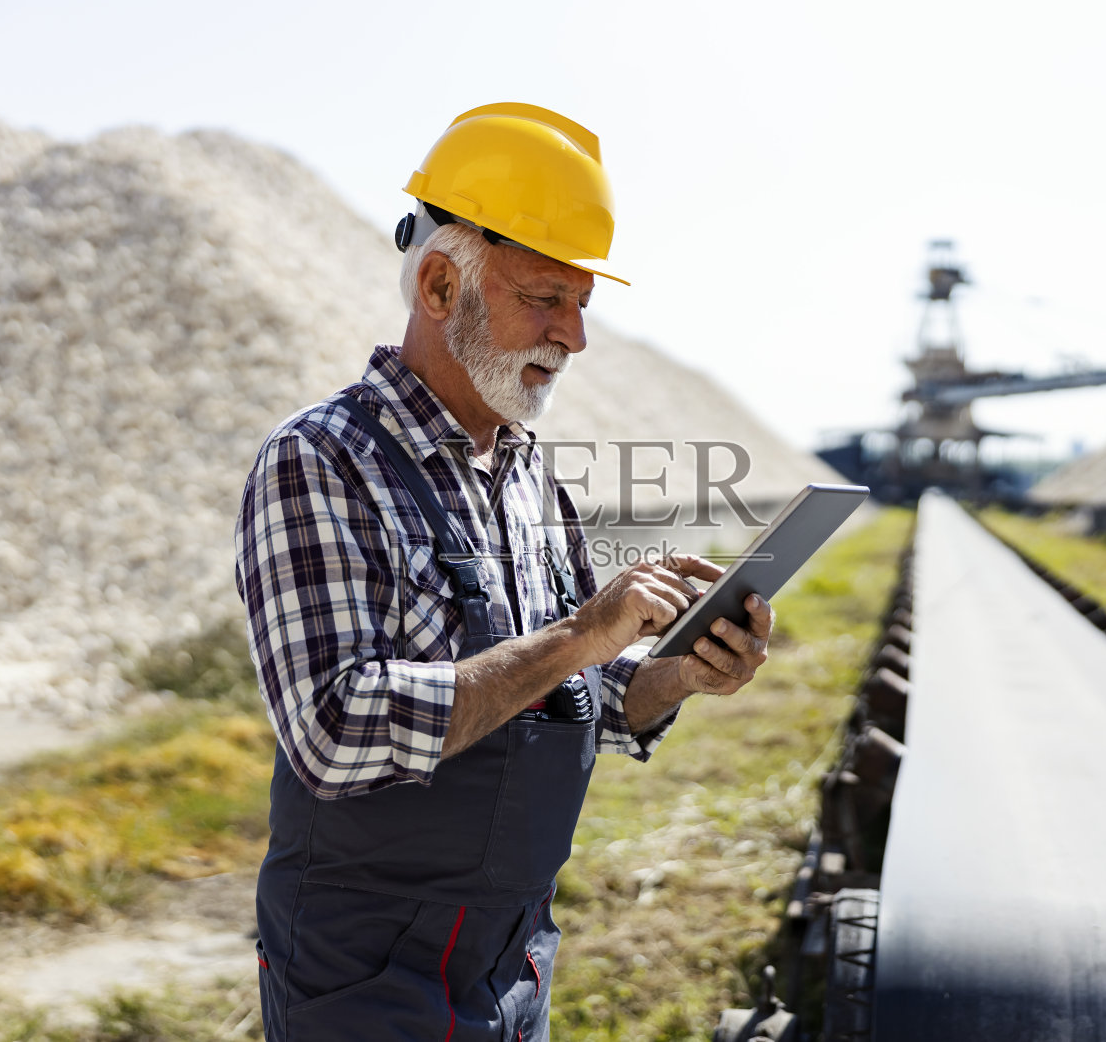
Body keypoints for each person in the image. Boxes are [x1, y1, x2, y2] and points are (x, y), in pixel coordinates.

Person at [235, 103, 772, 1042]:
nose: (574, 336)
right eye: (545, 298)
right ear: (440, 285)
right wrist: (581, 631)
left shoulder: (529, 477)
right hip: (365, 974)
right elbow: (332, 729)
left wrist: (678, 671)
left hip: (514, 956)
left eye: (582, 305)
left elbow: (577, 696)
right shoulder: (320, 461)